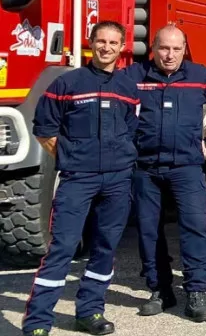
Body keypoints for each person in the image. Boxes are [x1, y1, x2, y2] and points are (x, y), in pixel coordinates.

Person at [23, 22, 140, 336]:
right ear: (91, 43)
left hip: (117, 180)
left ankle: (90, 312)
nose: (106, 48)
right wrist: (71, 159)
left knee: (105, 247)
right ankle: (37, 323)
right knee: (61, 248)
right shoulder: (67, 83)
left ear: (122, 46)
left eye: (113, 42)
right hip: (78, 180)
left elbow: (131, 129)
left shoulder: (128, 87)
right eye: (101, 41)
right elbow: (44, 129)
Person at [120, 25, 206, 322]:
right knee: (148, 230)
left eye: (176, 49)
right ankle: (160, 289)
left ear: (185, 49)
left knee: (194, 226)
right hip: (145, 168)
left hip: (187, 167)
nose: (170, 55)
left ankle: (196, 293)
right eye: (164, 49)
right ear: (153, 48)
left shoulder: (200, 76)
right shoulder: (133, 76)